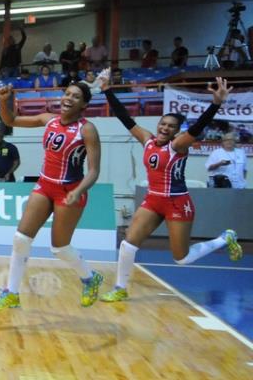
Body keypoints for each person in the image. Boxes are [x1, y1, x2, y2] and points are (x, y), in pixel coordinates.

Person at [99, 76, 242, 303]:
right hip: (153, 200)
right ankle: (120, 287)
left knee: (181, 259)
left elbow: (197, 127)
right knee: (128, 244)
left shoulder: (177, 146)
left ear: (176, 131)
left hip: (177, 203)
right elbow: (125, 118)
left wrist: (215, 104)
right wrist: (107, 90)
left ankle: (225, 238)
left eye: (171, 126)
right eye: (163, 124)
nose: (165, 128)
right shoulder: (147, 139)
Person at [0, 82, 103, 310]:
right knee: (21, 239)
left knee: (60, 248)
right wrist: (2, 101)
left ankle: (90, 277)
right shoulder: (47, 119)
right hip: (45, 185)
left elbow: (94, 171)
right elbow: (10, 120)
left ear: (84, 104)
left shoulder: (87, 129)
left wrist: (78, 191)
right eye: (67, 93)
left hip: (70, 190)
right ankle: (12, 293)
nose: (69, 98)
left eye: (76, 96)